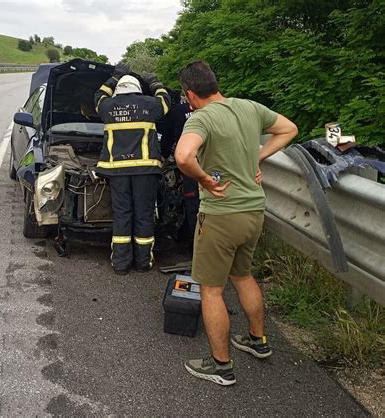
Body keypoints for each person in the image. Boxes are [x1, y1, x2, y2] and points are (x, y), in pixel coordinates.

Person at [175, 61, 298, 386]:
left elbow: (184, 156)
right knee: (243, 276)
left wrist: (204, 180)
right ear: (215, 83)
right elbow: (289, 129)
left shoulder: (200, 118)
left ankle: (221, 366)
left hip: (220, 215)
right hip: (254, 211)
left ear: (189, 94)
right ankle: (258, 341)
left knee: (211, 291)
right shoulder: (249, 107)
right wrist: (256, 157)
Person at [94, 64, 171, 275]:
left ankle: (120, 264)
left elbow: (98, 97)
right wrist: (154, 82)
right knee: (144, 215)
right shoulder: (150, 104)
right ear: (138, 89)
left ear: (119, 89)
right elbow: (166, 101)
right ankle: (143, 263)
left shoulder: (108, 106)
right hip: (146, 171)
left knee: (122, 214)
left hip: (117, 171)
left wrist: (114, 77)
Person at [160, 96, 198, 240]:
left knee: (192, 201)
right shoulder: (214, 109)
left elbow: (167, 136)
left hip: (189, 161)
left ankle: (191, 241)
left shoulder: (178, 111)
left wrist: (163, 155)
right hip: (212, 161)